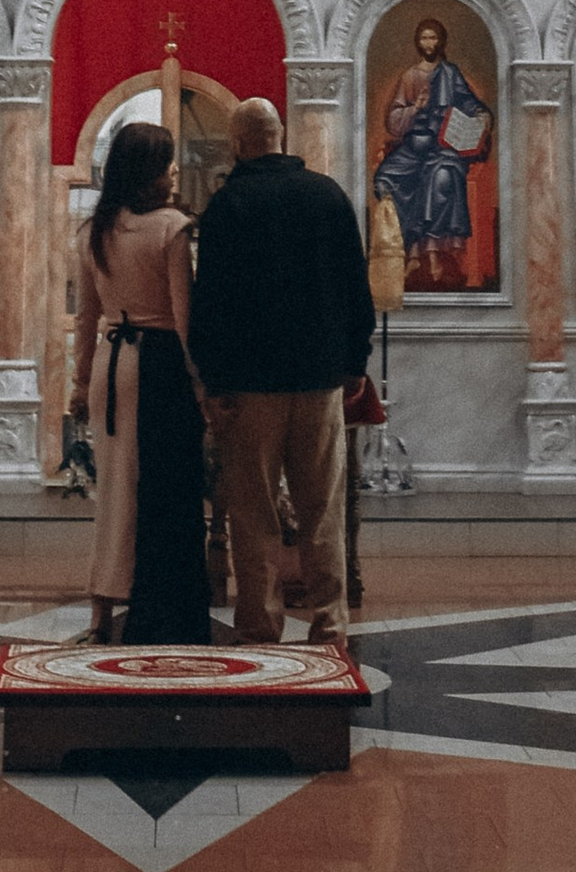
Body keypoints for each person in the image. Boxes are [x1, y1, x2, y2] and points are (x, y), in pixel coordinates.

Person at [189, 98, 375, 645]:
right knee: (323, 509)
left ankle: (259, 626)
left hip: (250, 388)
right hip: (319, 381)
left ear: (239, 144)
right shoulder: (327, 196)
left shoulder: (228, 206)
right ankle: (330, 624)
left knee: (253, 513)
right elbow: (354, 287)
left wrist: (214, 382)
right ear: (280, 136)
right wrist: (354, 363)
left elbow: (212, 303)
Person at [68, 120, 209, 646]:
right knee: (165, 492)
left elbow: (86, 318)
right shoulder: (172, 228)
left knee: (115, 493)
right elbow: (183, 316)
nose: (173, 170)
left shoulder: (94, 232)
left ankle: (102, 610)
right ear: (148, 170)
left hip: (111, 364)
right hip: (162, 366)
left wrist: (81, 383)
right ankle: (165, 606)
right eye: (167, 161)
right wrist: (201, 385)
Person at [371, 17, 491, 289]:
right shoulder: (410, 77)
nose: (429, 43)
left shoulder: (450, 73)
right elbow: (393, 121)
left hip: (445, 148)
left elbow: (471, 105)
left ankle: (431, 255)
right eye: (424, 38)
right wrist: (415, 108)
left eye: (433, 38)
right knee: (385, 180)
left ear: (441, 41)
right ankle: (409, 252)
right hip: (414, 147)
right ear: (418, 42)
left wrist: (482, 115)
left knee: (439, 178)